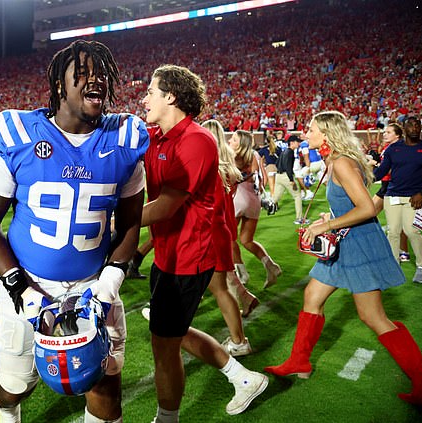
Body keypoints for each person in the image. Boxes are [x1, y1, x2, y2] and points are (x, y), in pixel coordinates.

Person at [0, 40, 148, 423]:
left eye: (100, 73)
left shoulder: (124, 140)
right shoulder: (20, 135)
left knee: (104, 388)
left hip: (93, 286)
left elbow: (132, 222)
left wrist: (111, 280)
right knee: (14, 385)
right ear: (58, 86)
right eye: (81, 73)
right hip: (29, 284)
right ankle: (7, 409)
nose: (95, 80)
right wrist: (19, 287)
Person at [264, 111, 422, 406]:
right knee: (312, 296)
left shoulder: (340, 162)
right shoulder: (334, 160)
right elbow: (352, 205)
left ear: (327, 134)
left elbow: (366, 208)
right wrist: (332, 216)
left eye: (311, 129)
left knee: (373, 317)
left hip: (359, 244)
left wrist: (325, 225)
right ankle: (299, 362)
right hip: (345, 240)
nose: (306, 133)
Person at [141, 64, 267, 421]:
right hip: (169, 254)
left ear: (171, 96)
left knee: (164, 345)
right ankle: (242, 377)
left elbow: (167, 205)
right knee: (170, 334)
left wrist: (112, 223)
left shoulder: (196, 139)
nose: (145, 97)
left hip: (188, 256)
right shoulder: (159, 137)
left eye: (151, 91)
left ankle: (167, 418)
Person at [200, 118, 255, 354]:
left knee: (220, 288)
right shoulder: (225, 166)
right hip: (219, 229)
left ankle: (239, 340)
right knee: (219, 286)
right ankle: (239, 337)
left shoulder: (210, 166)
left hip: (210, 231)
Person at [374, 116, 422, 283]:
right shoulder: (393, 149)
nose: (414, 128)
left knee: (412, 231)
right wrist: (364, 177)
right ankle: (394, 265)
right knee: (393, 232)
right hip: (392, 195)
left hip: (415, 198)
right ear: (404, 129)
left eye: (417, 125)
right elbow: (382, 171)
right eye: (411, 126)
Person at [229, 130, 282, 289]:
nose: (230, 141)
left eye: (233, 139)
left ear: (240, 143)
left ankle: (242, 273)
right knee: (246, 240)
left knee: (229, 238)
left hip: (239, 196)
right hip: (255, 198)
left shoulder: (236, 156)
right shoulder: (256, 155)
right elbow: (264, 179)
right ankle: (270, 265)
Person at [273, 135, 305, 224]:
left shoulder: (284, 151)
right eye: (297, 142)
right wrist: (291, 179)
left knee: (275, 198)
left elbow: (276, 163)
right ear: (292, 143)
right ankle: (299, 219)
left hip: (278, 176)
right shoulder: (290, 152)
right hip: (286, 176)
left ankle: (261, 208)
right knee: (297, 196)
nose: (299, 143)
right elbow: (288, 166)